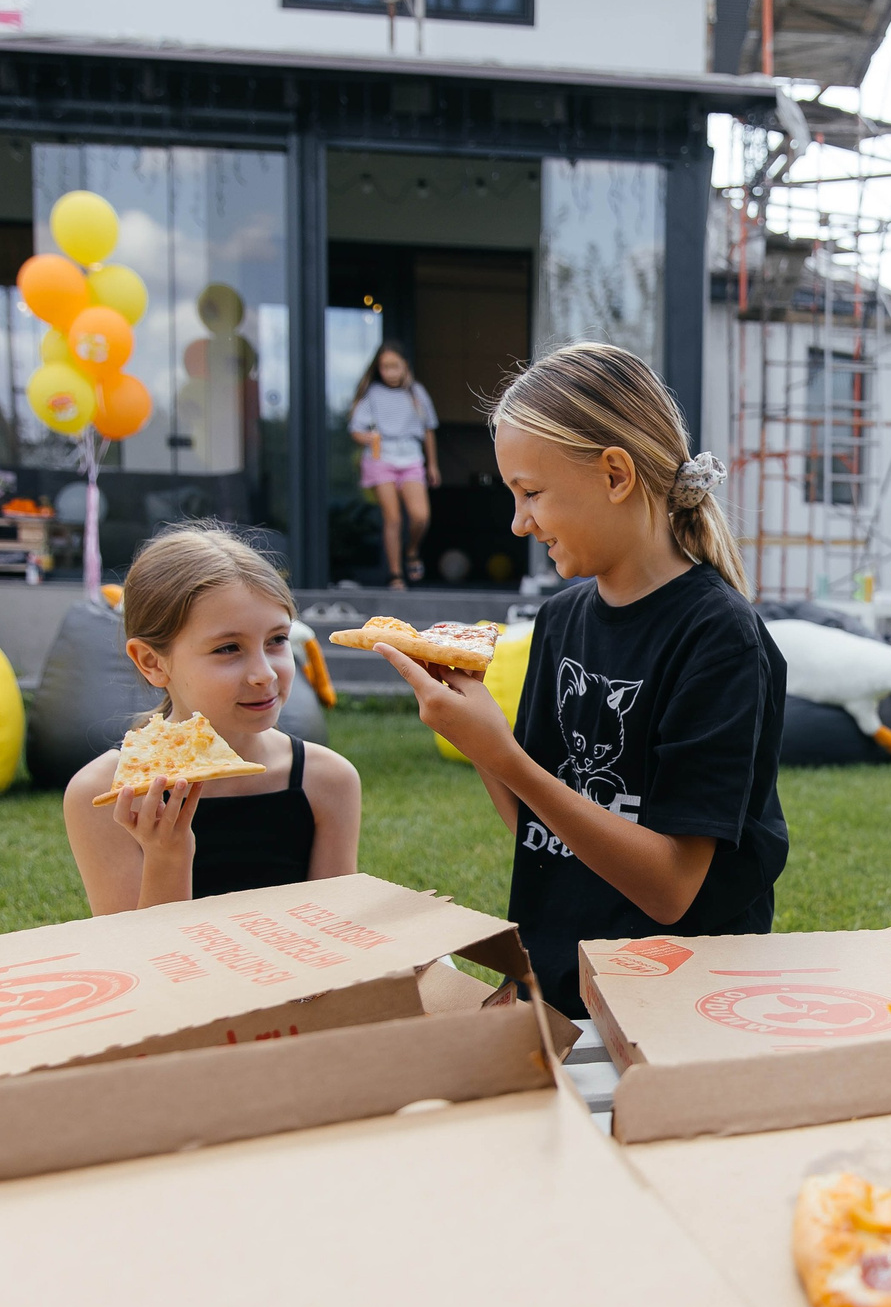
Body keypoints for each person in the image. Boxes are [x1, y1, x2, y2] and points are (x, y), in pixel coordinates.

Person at [381, 342, 785, 1020]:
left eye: (531, 493)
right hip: (561, 994)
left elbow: (671, 889)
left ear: (615, 475)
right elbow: (537, 827)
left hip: (675, 1008)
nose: (518, 522)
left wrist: (500, 753)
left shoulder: (718, 638)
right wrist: (477, 732)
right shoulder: (561, 619)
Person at [63, 524, 361, 912]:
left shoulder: (327, 780)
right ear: (152, 662)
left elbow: (338, 931)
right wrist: (168, 857)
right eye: (228, 648)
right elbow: (135, 947)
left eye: (277, 640)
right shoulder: (106, 793)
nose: (264, 674)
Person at [347, 341, 441, 590]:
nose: (389, 372)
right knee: (393, 519)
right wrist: (369, 438)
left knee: (420, 516)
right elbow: (355, 430)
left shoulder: (416, 393)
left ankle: (411, 550)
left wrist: (432, 465)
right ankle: (395, 574)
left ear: (404, 366)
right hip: (381, 459)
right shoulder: (372, 394)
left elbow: (429, 429)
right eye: (384, 367)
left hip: (411, 457)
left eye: (394, 366)